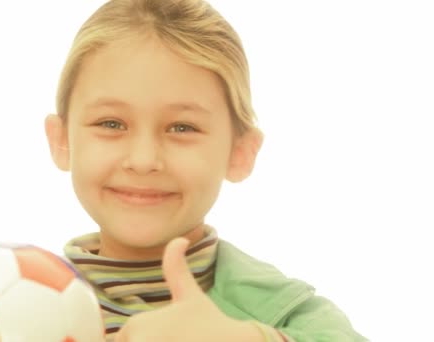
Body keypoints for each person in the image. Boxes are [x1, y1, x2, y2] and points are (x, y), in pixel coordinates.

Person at [44, 0, 366, 340]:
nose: (142, 160)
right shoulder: (8, 306)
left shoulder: (289, 315)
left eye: (182, 128)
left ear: (239, 152)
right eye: (111, 123)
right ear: (61, 140)